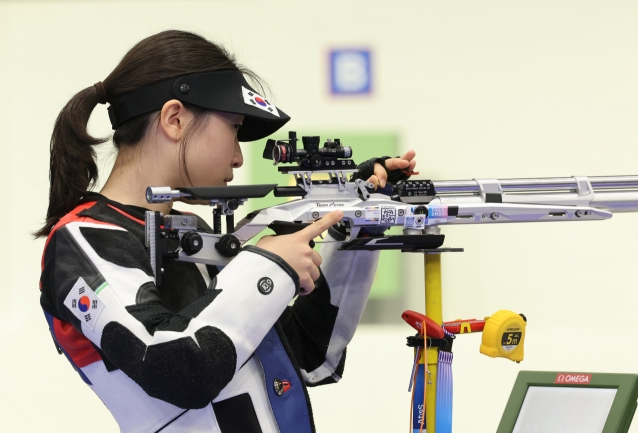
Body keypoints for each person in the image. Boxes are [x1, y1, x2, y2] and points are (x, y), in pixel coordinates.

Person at [37, 30, 417, 433]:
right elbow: (178, 368)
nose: (237, 155)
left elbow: (309, 356)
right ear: (175, 119)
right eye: (234, 128)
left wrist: (356, 225)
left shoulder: (190, 234)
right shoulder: (83, 238)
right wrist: (269, 266)